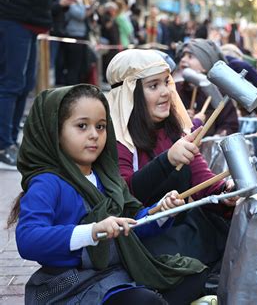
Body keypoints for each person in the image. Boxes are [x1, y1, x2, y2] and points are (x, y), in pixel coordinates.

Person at [8, 84, 209, 304]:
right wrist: (92, 231)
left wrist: (160, 212)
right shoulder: (47, 183)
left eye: (101, 126)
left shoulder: (107, 178)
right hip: (68, 284)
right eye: (82, 126)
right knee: (144, 301)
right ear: (54, 131)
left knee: (194, 275)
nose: (94, 135)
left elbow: (131, 227)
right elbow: (28, 240)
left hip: (114, 274)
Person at [106, 49, 238, 291]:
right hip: (142, 239)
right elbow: (124, 197)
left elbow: (202, 181)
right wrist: (166, 160)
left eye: (166, 82)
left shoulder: (172, 130)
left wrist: (226, 192)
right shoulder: (115, 139)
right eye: (153, 86)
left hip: (183, 231)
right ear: (129, 94)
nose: (166, 92)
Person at [0, 0, 53, 170]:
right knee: (12, 84)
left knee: (25, 85)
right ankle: (4, 145)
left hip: (31, 23)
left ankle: (12, 141)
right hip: (14, 19)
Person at [175, 39, 239, 136]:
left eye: (190, 56)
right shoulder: (175, 89)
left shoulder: (219, 93)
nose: (183, 59)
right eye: (183, 55)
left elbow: (230, 124)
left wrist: (221, 134)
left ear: (204, 66)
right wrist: (182, 119)